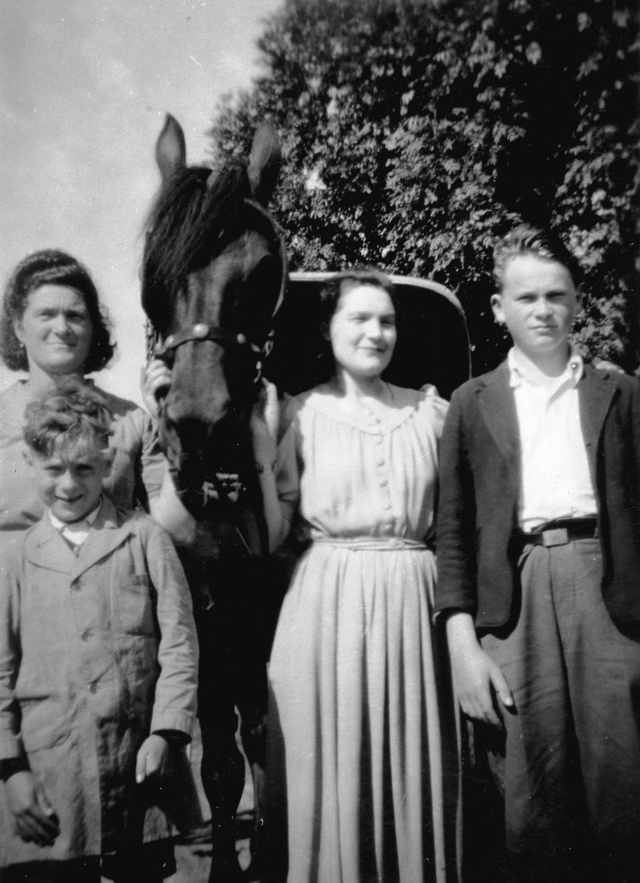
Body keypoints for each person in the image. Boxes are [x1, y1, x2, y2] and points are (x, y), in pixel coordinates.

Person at [435, 225, 640, 882]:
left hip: (608, 588)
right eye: (527, 297)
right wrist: (463, 644)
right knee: (526, 803)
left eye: (557, 294)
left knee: (624, 789)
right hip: (514, 596)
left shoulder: (622, 391)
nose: (543, 310)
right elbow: (454, 532)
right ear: (499, 308)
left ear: (577, 302)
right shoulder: (470, 404)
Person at [252, 269, 461, 883]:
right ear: (327, 328)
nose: (375, 332)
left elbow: (456, 523)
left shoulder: (432, 413)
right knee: (335, 779)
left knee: (416, 772)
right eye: (359, 319)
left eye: (386, 320)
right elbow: (270, 536)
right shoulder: (299, 414)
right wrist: (264, 452)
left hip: (415, 608)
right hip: (327, 610)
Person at [0, 381, 199, 883]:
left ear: (108, 463)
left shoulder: (145, 538)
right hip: (49, 782)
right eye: (54, 469)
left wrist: (167, 733)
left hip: (139, 771)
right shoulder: (13, 560)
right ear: (31, 462)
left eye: (84, 468)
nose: (68, 485)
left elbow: (179, 644)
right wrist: (10, 770)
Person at [0, 248, 187, 548]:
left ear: (92, 331)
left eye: (75, 316)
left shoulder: (133, 422)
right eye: (46, 314)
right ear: (19, 328)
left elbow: (174, 532)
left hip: (106, 589)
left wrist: (170, 424)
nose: (61, 328)